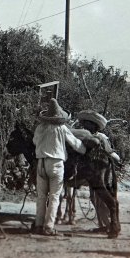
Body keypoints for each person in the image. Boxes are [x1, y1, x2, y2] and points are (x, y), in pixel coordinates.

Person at [32, 98, 92, 236]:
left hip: (41, 163)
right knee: (54, 196)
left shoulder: (40, 127)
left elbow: (35, 141)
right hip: (56, 164)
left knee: (41, 196)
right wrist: (85, 151)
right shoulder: (62, 128)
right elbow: (75, 143)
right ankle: (48, 227)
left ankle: (38, 225)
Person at [75, 110, 121, 231]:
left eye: (88, 124)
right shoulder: (87, 137)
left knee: (101, 198)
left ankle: (108, 224)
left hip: (96, 170)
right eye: (85, 123)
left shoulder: (98, 138)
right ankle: (105, 224)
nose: (85, 126)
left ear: (94, 126)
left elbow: (109, 152)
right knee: (96, 198)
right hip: (98, 170)